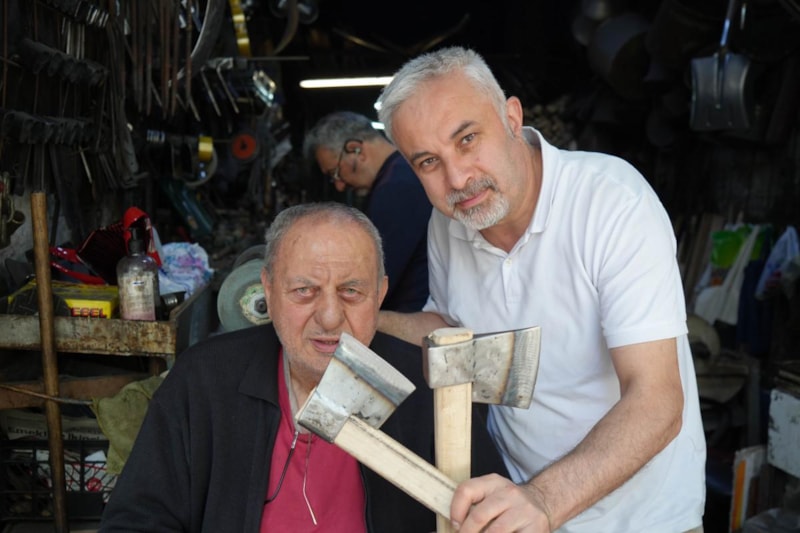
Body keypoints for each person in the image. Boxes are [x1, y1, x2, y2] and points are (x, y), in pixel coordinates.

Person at [375, 46, 706, 533]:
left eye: (467, 139)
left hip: (640, 520)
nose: (457, 178)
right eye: (428, 162)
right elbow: (452, 333)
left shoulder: (611, 202)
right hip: (522, 508)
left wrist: (545, 500)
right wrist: (364, 322)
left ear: (512, 117)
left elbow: (656, 401)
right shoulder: (449, 223)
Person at [98, 202, 507, 533]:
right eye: (304, 291)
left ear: (380, 294)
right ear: (269, 290)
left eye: (351, 291)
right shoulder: (204, 381)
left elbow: (493, 514)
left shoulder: (430, 391)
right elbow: (136, 520)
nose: (329, 317)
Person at [303, 111, 432, 312]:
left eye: (336, 173)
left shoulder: (396, 188)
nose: (339, 186)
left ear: (356, 150)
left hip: (413, 315)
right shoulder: (405, 172)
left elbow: (376, 277)